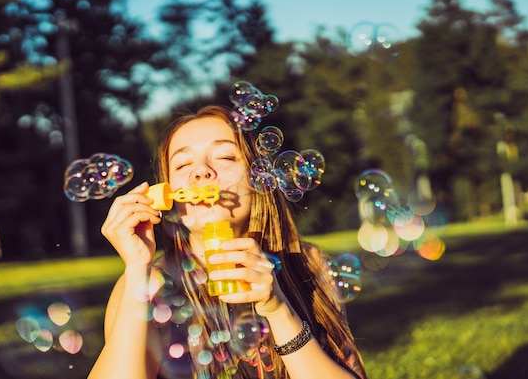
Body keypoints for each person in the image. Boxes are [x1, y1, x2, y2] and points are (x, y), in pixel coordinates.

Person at [88, 105, 368, 379]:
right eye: (183, 164)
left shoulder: (306, 264)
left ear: (257, 179)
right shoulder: (149, 283)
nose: (201, 172)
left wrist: (278, 308)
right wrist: (137, 267)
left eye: (224, 157)